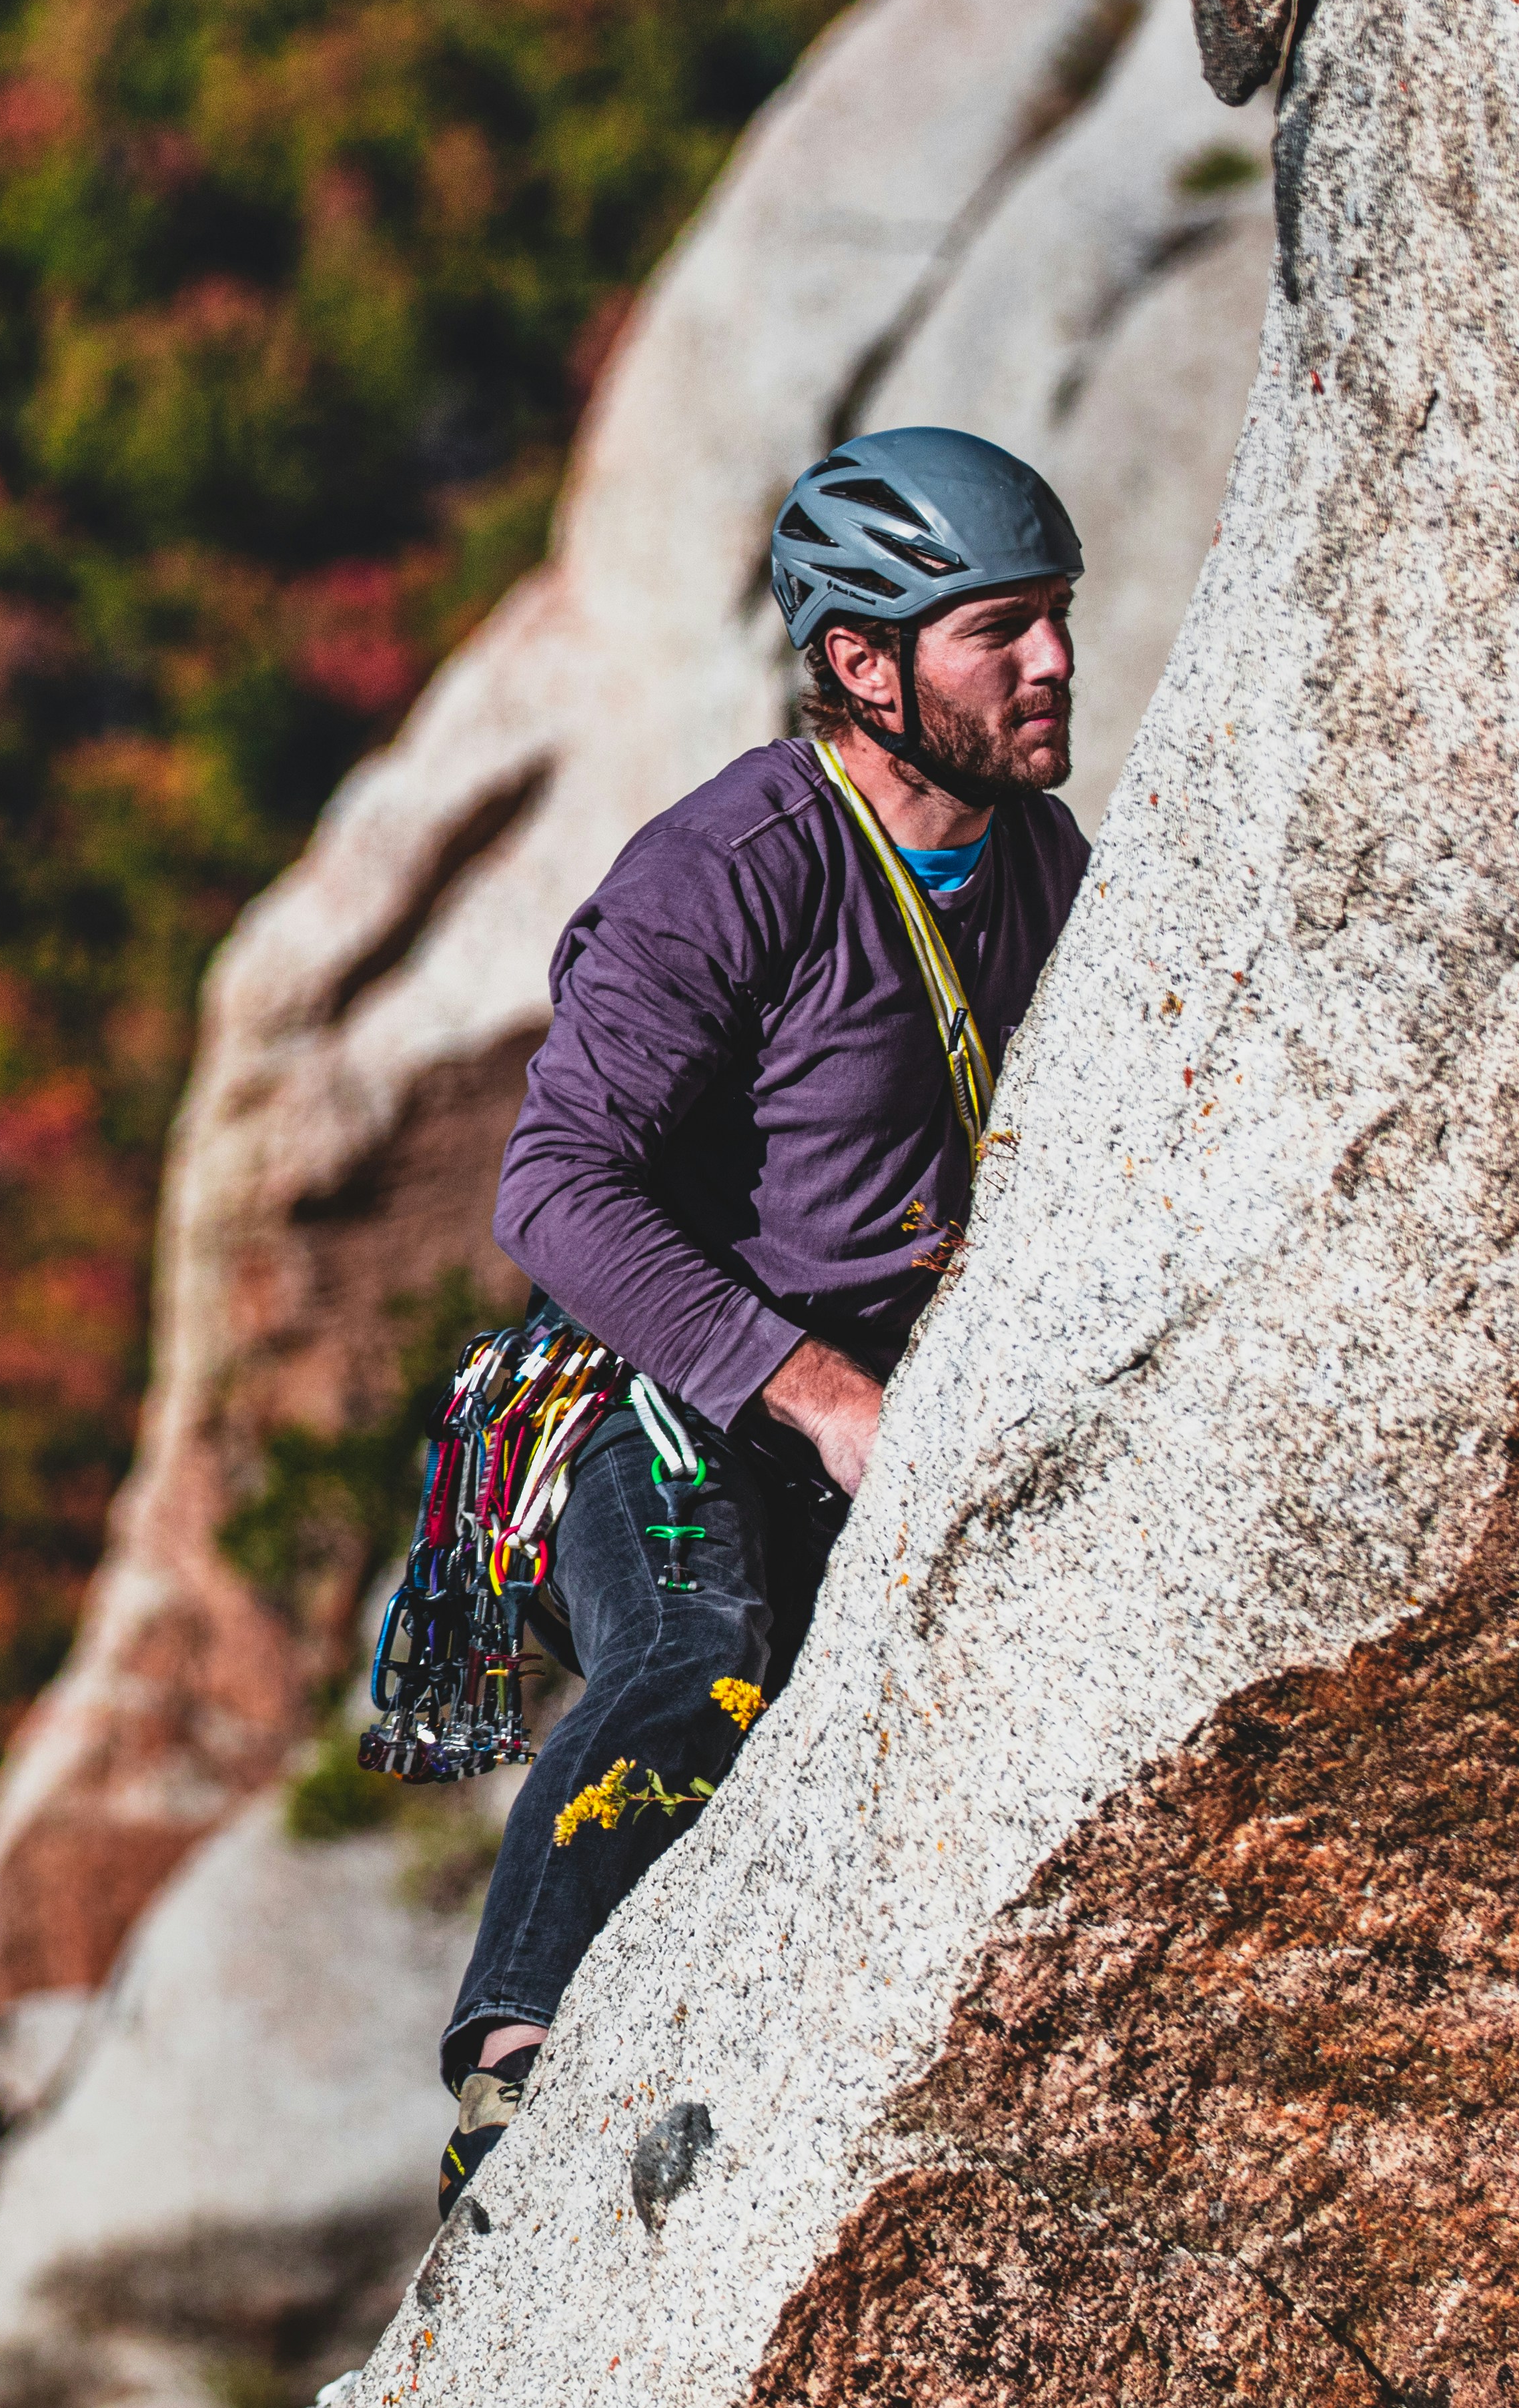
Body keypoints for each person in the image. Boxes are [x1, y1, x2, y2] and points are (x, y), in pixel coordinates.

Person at [430, 426, 1091, 2219]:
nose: (1051, 664)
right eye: (1000, 631)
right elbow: (555, 1191)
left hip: (872, 1389)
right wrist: (816, 1393)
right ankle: (513, 2078)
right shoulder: (730, 869)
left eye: (1058, 620)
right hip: (663, 1391)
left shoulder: (1040, 862)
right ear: (866, 669)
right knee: (704, 1651)